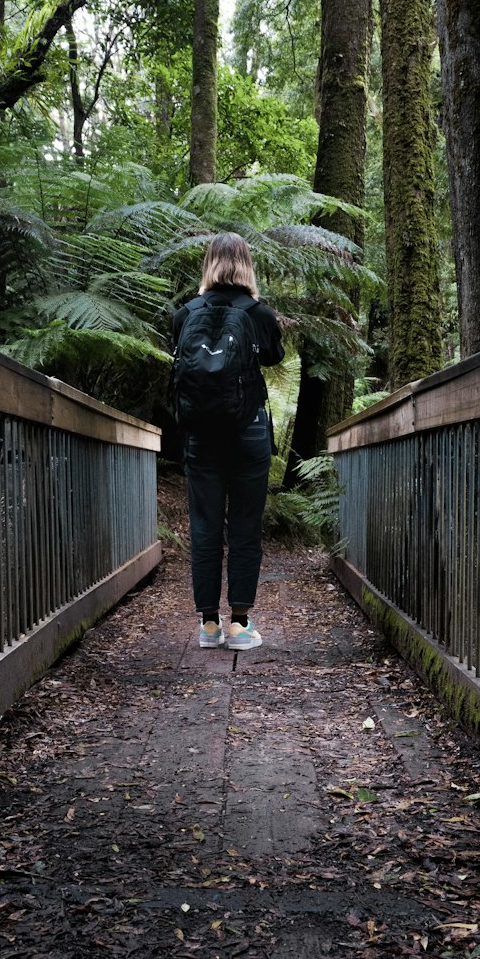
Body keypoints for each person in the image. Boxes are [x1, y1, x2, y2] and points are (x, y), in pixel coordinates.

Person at [172, 232, 285, 650]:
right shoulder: (260, 314)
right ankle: (240, 625)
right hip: (248, 432)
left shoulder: (184, 313)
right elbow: (275, 357)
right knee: (244, 526)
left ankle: (208, 625)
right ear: (246, 264)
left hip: (201, 436)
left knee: (203, 526)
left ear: (209, 264)